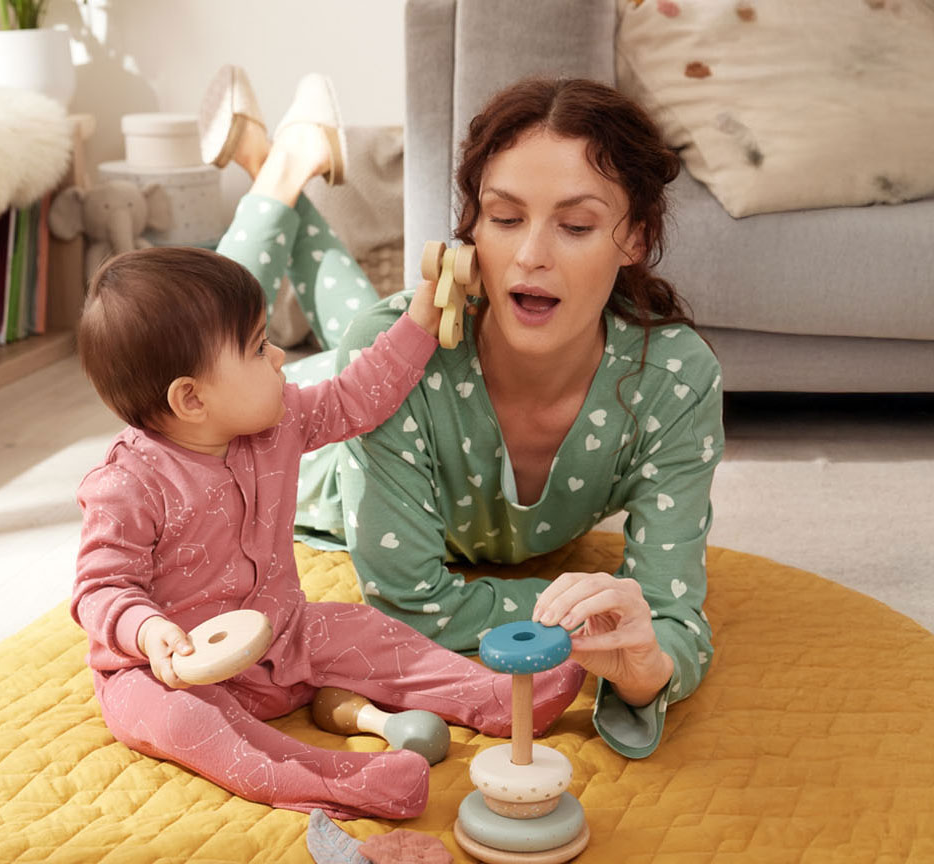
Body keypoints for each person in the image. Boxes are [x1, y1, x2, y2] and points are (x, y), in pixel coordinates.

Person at [200, 71, 723, 759]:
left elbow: (671, 620)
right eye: (505, 219)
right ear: (473, 229)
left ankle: (278, 160)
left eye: (575, 225)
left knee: (367, 327)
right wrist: (581, 613)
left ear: (636, 236)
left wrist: (648, 662)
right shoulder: (402, 366)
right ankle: (283, 169)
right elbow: (411, 604)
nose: (530, 256)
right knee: (194, 356)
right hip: (319, 430)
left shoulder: (673, 381)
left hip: (392, 357)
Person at [69, 246, 585, 821]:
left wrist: (419, 320)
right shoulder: (126, 485)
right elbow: (99, 589)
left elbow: (356, 397)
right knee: (185, 723)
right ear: (192, 398)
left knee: (363, 627)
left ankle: (501, 701)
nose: (279, 355)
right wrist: (146, 631)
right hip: (172, 673)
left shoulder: (276, 422)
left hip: (283, 639)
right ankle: (333, 781)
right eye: (257, 347)